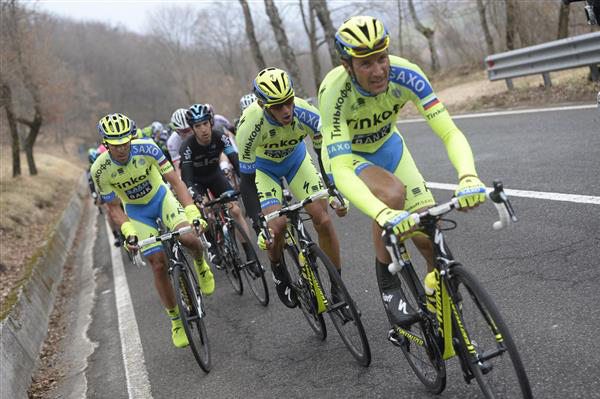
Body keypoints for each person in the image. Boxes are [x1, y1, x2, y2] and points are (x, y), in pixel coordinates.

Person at [318, 16, 487, 331]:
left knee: (430, 238)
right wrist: (382, 213)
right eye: (365, 63)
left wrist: (468, 176)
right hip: (350, 158)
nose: (379, 70)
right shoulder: (334, 93)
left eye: (381, 58)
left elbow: (450, 133)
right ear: (347, 66)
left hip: (390, 149)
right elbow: (340, 170)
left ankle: (448, 317)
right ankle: (387, 275)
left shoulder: (407, 73)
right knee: (393, 195)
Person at [91, 112, 215, 349]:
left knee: (189, 236)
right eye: (116, 145)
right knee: (157, 263)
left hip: (161, 198)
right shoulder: (100, 169)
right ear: (106, 144)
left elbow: (176, 181)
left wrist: (192, 212)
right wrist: (128, 231)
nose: (122, 149)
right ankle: (176, 320)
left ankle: (200, 264)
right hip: (137, 212)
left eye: (126, 142)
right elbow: (114, 208)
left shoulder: (147, 148)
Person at [237, 67, 348, 308]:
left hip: (296, 162)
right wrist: (259, 223)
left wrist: (333, 187)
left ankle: (337, 286)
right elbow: (245, 180)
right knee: (276, 227)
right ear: (263, 104)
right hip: (264, 170)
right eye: (278, 106)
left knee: (323, 220)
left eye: (288, 102)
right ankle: (279, 271)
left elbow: (324, 152)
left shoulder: (306, 112)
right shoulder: (249, 125)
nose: (286, 110)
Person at [179, 103, 253, 265]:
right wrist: (195, 196)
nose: (203, 129)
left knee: (235, 210)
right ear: (192, 128)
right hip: (196, 181)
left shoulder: (220, 137)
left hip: (215, 176)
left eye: (205, 124)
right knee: (203, 210)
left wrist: (246, 183)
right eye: (198, 126)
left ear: (211, 123)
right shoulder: (187, 147)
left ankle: (250, 253)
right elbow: (187, 178)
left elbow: (235, 161)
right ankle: (212, 247)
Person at [167, 108, 193, 175]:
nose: (187, 134)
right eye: (183, 131)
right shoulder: (172, 141)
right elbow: (178, 166)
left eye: (188, 130)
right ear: (177, 130)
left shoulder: (198, 131)